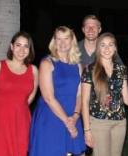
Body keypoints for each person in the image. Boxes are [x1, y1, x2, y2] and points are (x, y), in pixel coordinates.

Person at [29, 26, 86, 156]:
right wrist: (68, 122)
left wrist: (76, 116)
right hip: (51, 117)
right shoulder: (47, 63)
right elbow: (48, 97)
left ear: (72, 41)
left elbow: (79, 94)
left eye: (66, 38)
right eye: (58, 39)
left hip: (72, 115)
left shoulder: (78, 65)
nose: (62, 43)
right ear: (54, 41)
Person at [0, 31, 38, 156]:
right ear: (12, 47)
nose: (22, 49)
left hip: (21, 125)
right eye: (18, 45)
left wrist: (16, 108)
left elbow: (29, 98)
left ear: (29, 49)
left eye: (26, 46)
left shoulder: (33, 70)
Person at [81, 32, 128, 156]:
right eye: (103, 45)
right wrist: (87, 130)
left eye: (110, 45)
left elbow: (126, 99)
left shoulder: (121, 69)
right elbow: (84, 101)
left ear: (115, 48)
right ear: (98, 48)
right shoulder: (90, 69)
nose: (107, 49)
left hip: (120, 122)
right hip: (99, 122)